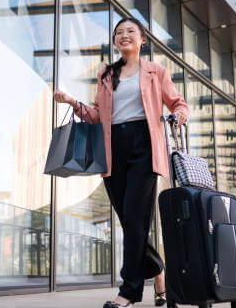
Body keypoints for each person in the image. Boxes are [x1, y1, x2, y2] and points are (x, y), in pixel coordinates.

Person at [54, 17, 189, 308]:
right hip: (113, 149)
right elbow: (97, 115)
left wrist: (178, 116)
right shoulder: (106, 74)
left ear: (142, 40)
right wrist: (72, 102)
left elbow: (179, 103)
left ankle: (128, 291)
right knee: (131, 223)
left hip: (143, 145)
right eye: (119, 33)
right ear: (115, 41)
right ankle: (158, 271)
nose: (124, 35)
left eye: (130, 32)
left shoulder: (156, 72)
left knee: (135, 220)